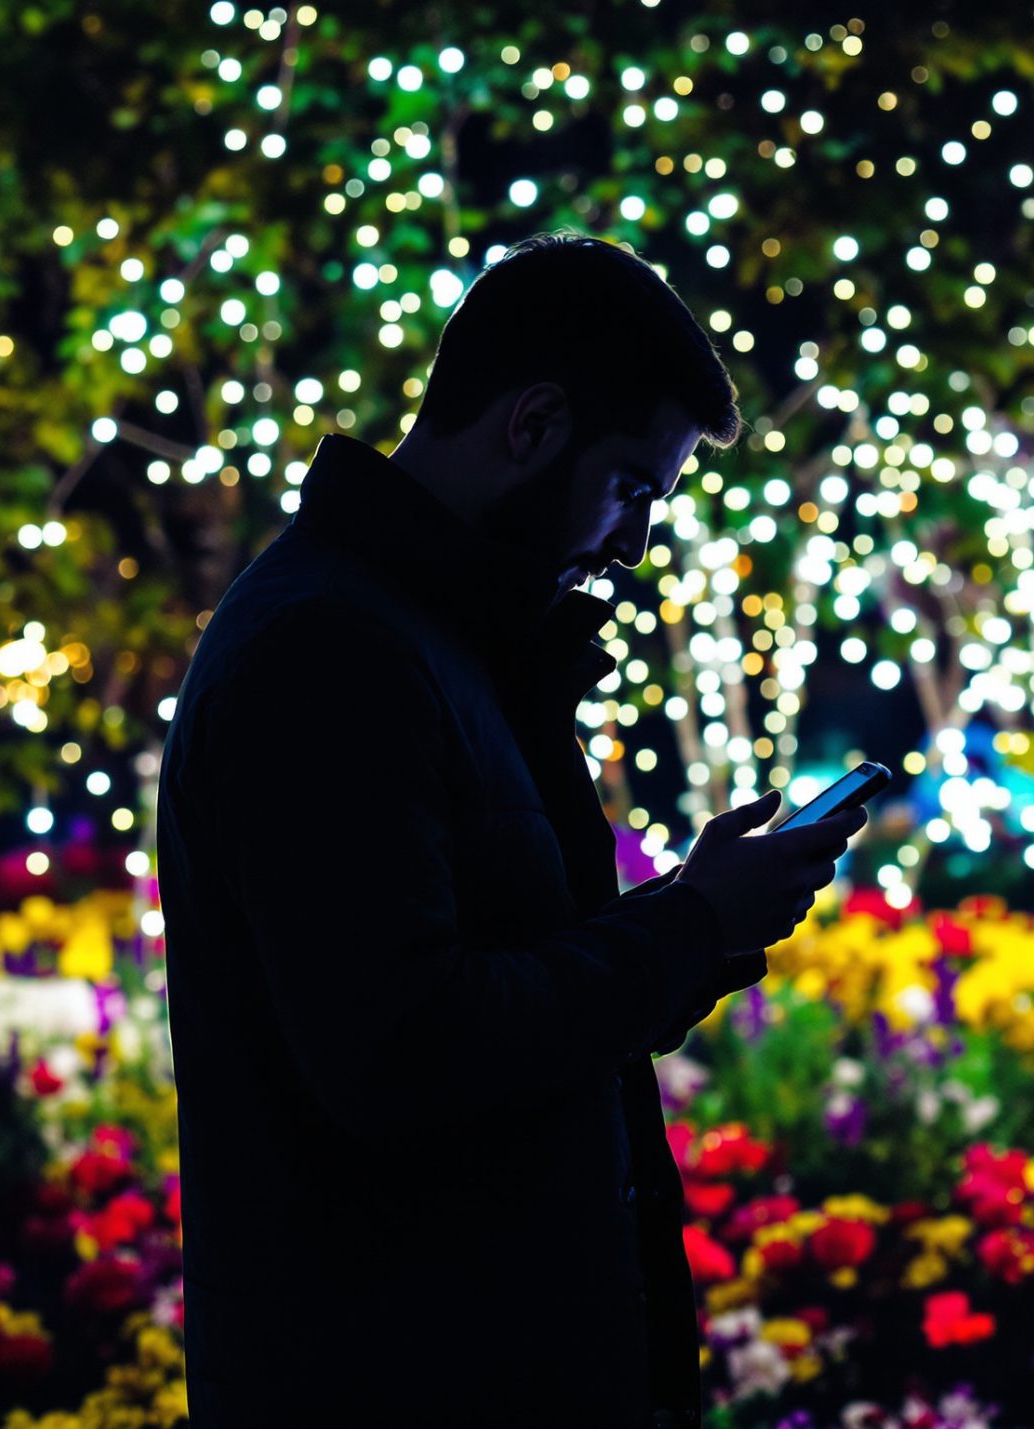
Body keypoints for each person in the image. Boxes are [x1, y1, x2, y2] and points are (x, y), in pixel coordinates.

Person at [155, 231, 867, 1427]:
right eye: (632, 485)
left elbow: (491, 972)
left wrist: (695, 915)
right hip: (400, 1370)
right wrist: (692, 925)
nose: (632, 543)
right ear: (533, 424)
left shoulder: (436, 639)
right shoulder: (334, 653)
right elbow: (402, 1049)